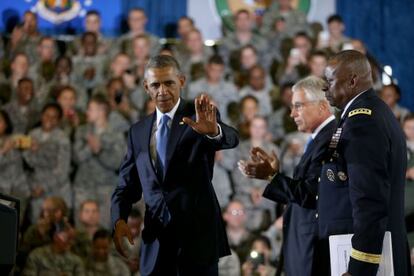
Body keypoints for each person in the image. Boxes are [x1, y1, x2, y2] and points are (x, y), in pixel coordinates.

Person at [110, 55, 239, 275]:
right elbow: (126, 186)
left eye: (169, 83)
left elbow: (231, 138)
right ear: (146, 87)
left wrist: (214, 132)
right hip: (157, 243)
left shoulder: (199, 116)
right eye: (155, 85)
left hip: (197, 242)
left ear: (181, 80)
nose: (162, 91)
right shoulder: (138, 132)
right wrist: (118, 219)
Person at [320, 49, 410, 275]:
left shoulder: (363, 122)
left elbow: (369, 200)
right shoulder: (374, 111)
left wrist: (359, 268)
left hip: (374, 257)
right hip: (383, 245)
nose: (324, 87)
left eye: (330, 80)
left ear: (352, 80)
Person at [238, 76, 336, 275]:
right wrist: (274, 175)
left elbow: (312, 195)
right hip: (304, 244)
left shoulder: (329, 141)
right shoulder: (320, 139)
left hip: (314, 249)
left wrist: (273, 177)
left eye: (298, 106)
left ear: (322, 106)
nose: (292, 114)